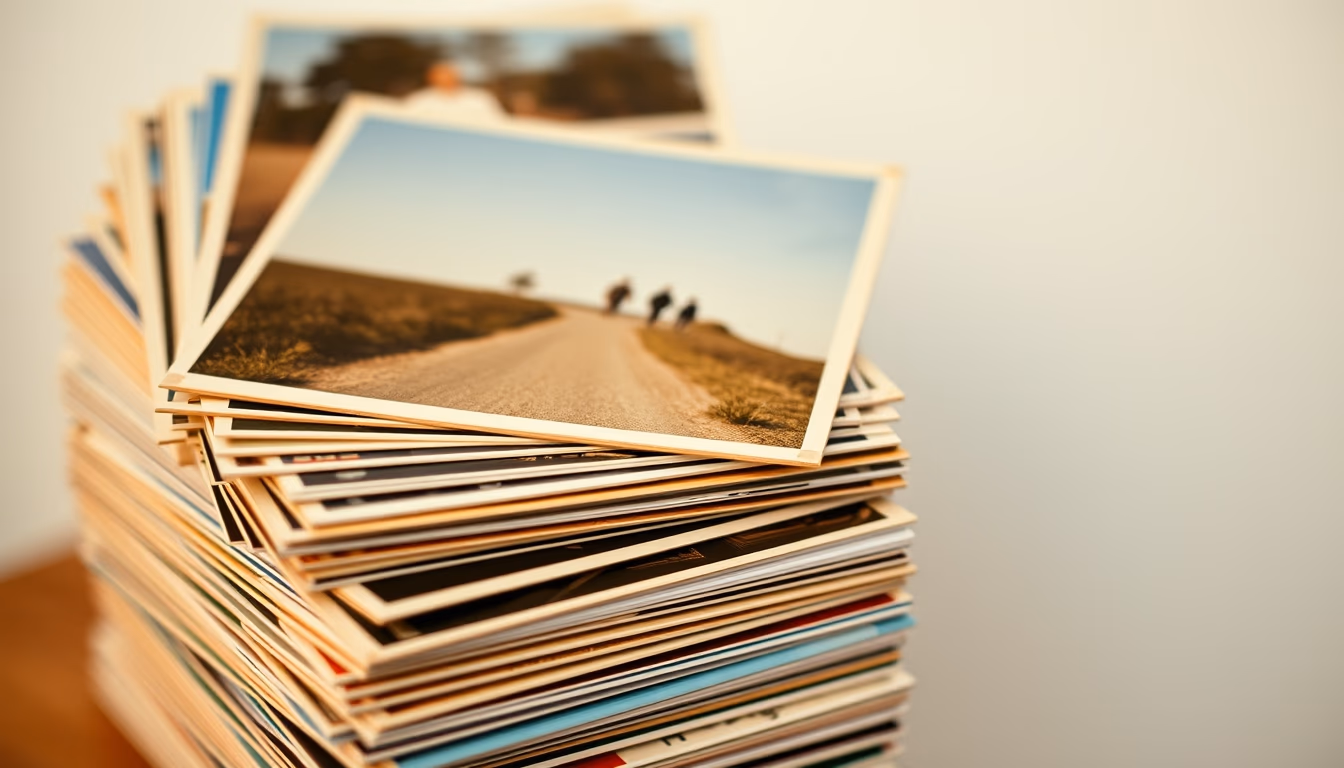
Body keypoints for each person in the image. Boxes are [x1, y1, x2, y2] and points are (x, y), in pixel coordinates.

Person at [403, 60, 507, 121]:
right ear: (431, 78)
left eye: (449, 74)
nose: (446, 79)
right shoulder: (419, 100)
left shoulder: (480, 97)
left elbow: (498, 120)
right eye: (440, 75)